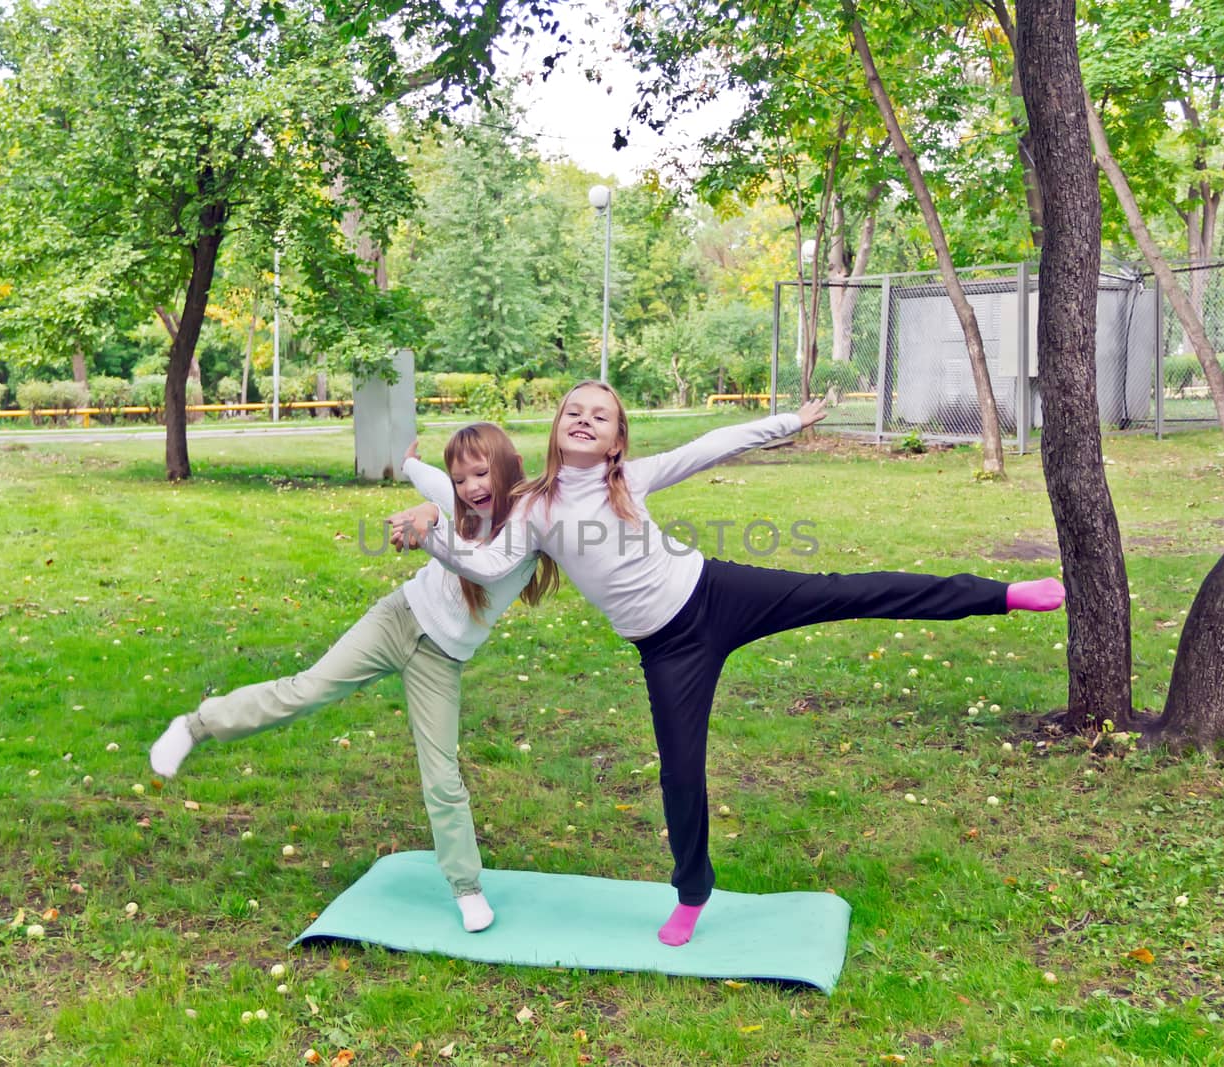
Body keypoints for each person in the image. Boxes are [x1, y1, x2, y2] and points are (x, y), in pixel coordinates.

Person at [388, 382, 1064, 946]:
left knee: (842, 590)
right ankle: (691, 891)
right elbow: (487, 560)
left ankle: (999, 595)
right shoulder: (534, 506)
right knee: (681, 774)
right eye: (574, 410)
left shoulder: (633, 478)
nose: (585, 418)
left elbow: (712, 446)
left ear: (618, 438)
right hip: (668, 649)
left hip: (718, 593)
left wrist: (790, 422)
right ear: (557, 428)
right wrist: (435, 538)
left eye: (601, 413)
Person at [150, 423, 553, 932]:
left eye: (481, 472)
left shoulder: (529, 526)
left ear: (509, 462)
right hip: (397, 619)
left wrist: (429, 527)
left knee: (443, 776)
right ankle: (197, 725)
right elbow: (434, 487)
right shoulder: (456, 502)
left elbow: (485, 569)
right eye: (461, 479)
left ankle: (466, 887)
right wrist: (412, 470)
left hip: (441, 660)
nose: (472, 487)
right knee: (305, 690)